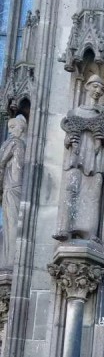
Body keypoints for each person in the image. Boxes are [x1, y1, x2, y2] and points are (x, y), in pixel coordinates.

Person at [54, 74, 104, 242]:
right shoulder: (75, 112)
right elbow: (67, 138)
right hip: (77, 155)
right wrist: (70, 140)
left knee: (93, 192)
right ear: (87, 86)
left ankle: (90, 232)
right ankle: (65, 229)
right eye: (94, 86)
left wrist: (103, 138)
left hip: (96, 156)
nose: (97, 90)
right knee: (72, 186)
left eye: (101, 88)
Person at [0, 115, 27, 271]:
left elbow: (1, 160)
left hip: (12, 187)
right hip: (12, 187)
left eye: (12, 127)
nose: (10, 131)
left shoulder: (15, 143)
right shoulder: (20, 143)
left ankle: (10, 260)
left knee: (11, 224)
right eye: (9, 128)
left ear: (21, 128)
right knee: (10, 223)